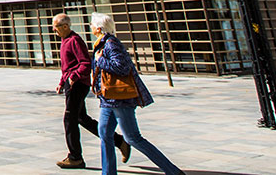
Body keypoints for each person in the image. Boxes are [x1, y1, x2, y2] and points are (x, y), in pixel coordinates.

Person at [90, 12, 183, 175]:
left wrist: (100, 60)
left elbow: (122, 68)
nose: (90, 27)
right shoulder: (102, 43)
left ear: (98, 28)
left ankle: (173, 172)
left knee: (132, 138)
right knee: (104, 133)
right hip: (108, 99)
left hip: (120, 99)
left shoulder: (111, 44)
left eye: (92, 24)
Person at [53, 13, 131, 169]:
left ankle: (75, 157)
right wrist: (62, 82)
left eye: (56, 27)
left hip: (78, 85)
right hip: (71, 83)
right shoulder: (65, 41)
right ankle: (120, 141)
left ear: (65, 26)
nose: (54, 31)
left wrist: (74, 76)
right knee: (81, 118)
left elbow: (85, 63)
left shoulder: (74, 40)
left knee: (69, 120)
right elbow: (67, 66)